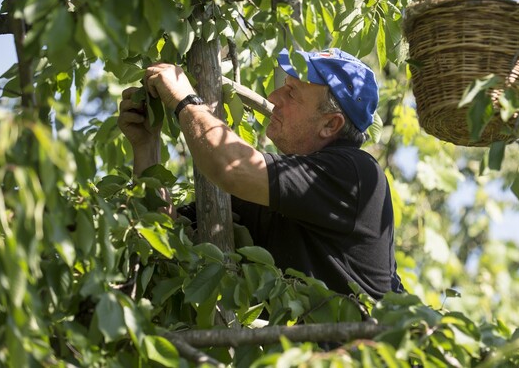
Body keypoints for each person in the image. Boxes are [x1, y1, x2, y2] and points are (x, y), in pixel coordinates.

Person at [118, 48, 403, 299]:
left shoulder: (356, 175)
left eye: (291, 93)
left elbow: (232, 167)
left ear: (330, 124)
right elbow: (164, 239)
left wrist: (184, 98)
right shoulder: (274, 194)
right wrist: (146, 148)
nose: (274, 97)